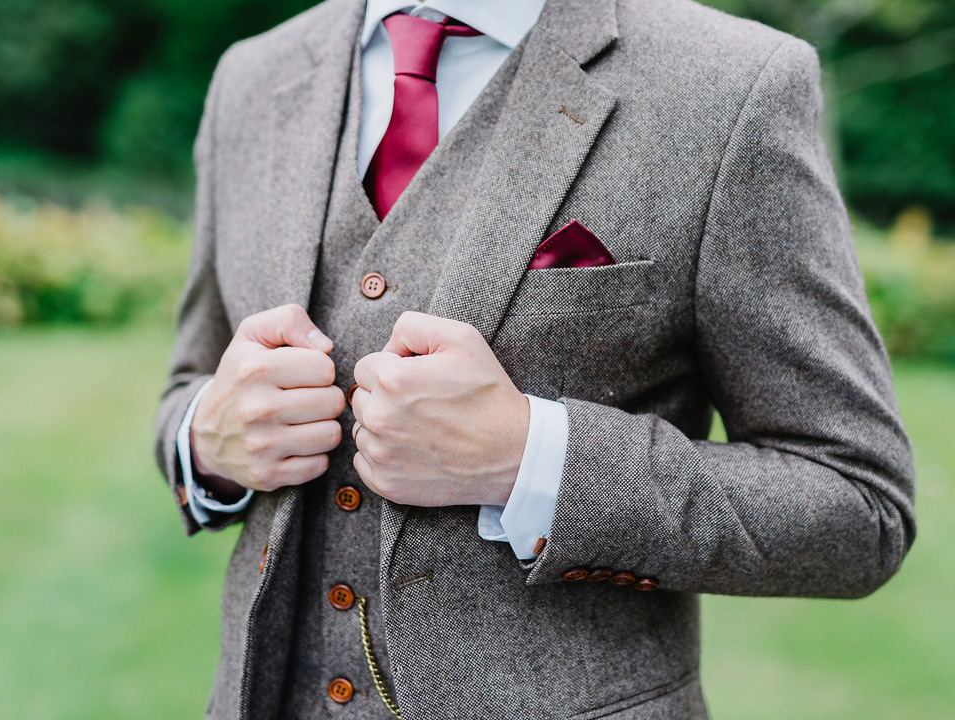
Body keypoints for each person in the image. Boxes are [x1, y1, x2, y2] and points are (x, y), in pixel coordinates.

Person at [152, 0, 917, 717]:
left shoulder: (731, 83)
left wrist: (531, 459)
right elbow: (196, 384)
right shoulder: (251, 76)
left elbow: (858, 505)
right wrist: (204, 441)